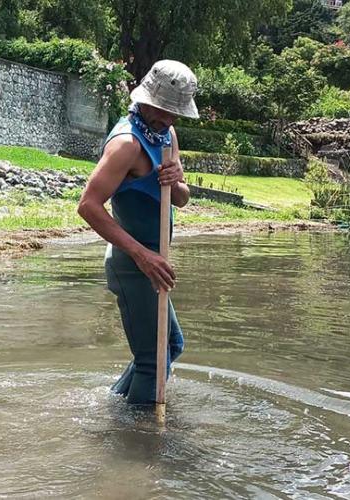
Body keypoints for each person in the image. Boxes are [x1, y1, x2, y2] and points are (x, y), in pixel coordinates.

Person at [77, 60, 199, 405]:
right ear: (146, 99)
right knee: (152, 362)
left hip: (153, 264)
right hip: (133, 265)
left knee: (170, 347)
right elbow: (88, 206)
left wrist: (176, 181)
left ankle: (114, 405)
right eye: (164, 110)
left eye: (176, 113)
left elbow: (182, 199)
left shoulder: (166, 135)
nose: (170, 119)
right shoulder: (127, 144)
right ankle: (139, 444)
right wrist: (142, 255)